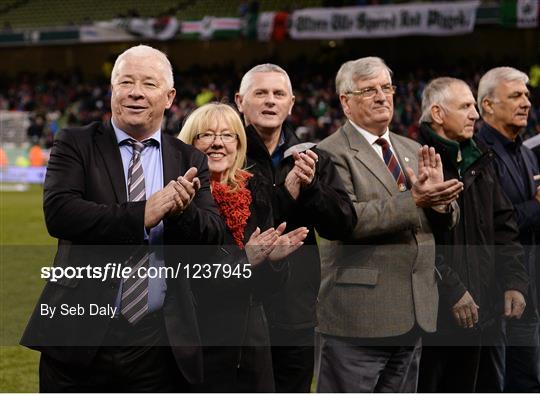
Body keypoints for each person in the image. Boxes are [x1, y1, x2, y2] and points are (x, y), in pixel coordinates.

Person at [20, 45, 225, 392]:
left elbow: (211, 237)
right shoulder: (76, 143)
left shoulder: (189, 158)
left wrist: (182, 212)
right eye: (125, 82)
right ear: (113, 90)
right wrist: (143, 214)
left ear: (169, 96)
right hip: (79, 335)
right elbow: (60, 213)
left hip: (159, 341)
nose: (135, 92)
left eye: (148, 83)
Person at [315, 57, 462, 393]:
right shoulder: (329, 153)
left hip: (415, 311)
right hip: (360, 319)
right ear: (345, 101)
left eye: (386, 87)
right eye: (369, 90)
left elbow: (445, 217)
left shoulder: (411, 149)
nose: (382, 96)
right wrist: (417, 200)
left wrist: (441, 205)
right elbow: (348, 222)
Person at [235, 64, 356, 392]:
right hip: (238, 310)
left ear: (291, 103)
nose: (270, 101)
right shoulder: (226, 157)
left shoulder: (312, 158)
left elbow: (344, 224)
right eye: (260, 93)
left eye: (278, 94)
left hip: (295, 312)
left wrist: (313, 187)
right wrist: (286, 194)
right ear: (239, 101)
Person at [178, 102, 309, 392]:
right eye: (206, 135)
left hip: (252, 346)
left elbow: (265, 290)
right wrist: (245, 260)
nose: (217, 144)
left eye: (228, 136)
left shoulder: (255, 193)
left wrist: (274, 261)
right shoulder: (181, 199)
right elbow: (190, 279)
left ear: (239, 145)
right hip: (199, 345)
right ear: (190, 143)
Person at [416, 77, 528, 392]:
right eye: (465, 106)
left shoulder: (480, 159)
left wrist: (515, 281)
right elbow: (418, 241)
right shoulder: (415, 160)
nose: (475, 114)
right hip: (437, 322)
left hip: (489, 316)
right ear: (437, 114)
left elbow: (504, 226)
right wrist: (451, 288)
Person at [476, 66, 540, 392]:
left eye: (526, 95)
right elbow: (489, 224)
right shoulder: (478, 154)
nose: (526, 102)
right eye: (515, 95)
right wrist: (537, 206)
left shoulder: (527, 153)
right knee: (495, 380)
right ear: (487, 105)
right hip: (493, 289)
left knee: (527, 376)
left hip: (526, 280)